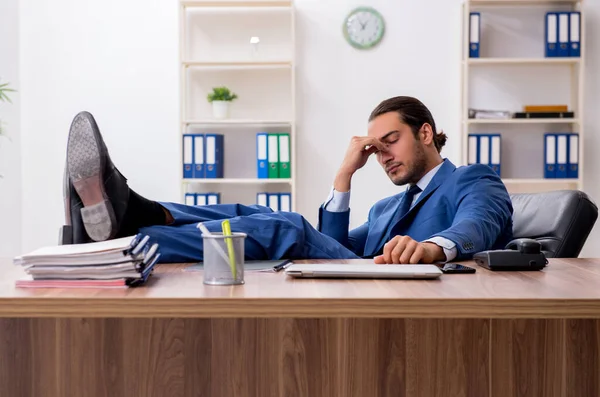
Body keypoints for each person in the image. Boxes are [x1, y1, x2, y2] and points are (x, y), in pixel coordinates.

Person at [61, 96, 513, 264]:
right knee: (258, 214)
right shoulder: (387, 208)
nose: (382, 155)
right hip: (362, 279)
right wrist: (342, 179)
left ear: (426, 133)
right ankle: (140, 215)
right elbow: (331, 246)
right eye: (375, 147)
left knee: (287, 227)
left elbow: (479, 224)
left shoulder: (471, 179)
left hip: (398, 288)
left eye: (390, 140)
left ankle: (122, 241)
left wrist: (434, 247)